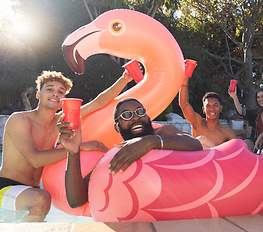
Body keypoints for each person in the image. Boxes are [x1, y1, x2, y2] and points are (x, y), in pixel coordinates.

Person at [0, 69, 133, 222]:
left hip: (32, 189)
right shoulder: (20, 120)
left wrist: (124, 79)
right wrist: (80, 146)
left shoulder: (62, 120)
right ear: (38, 94)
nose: (55, 94)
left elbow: (97, 103)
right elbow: (34, 159)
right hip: (5, 186)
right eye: (49, 89)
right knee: (41, 199)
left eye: (61, 91)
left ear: (64, 99)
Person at [58, 97, 203, 208]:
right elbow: (77, 200)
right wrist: (73, 152)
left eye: (140, 112)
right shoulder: (117, 155)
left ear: (147, 117)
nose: (135, 117)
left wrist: (150, 142)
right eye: (126, 115)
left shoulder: (163, 133)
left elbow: (196, 144)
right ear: (117, 127)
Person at [179, 77, 237, 148]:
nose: (212, 109)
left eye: (215, 105)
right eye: (208, 106)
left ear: (220, 108)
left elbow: (237, 152)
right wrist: (185, 79)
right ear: (203, 109)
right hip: (198, 158)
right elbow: (184, 104)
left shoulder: (227, 132)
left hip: (216, 158)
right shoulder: (197, 123)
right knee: (201, 140)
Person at [229, 87, 263, 151]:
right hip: (254, 141)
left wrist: (262, 136)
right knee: (244, 144)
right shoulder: (256, 113)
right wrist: (235, 97)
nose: (260, 99)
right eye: (258, 97)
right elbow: (241, 112)